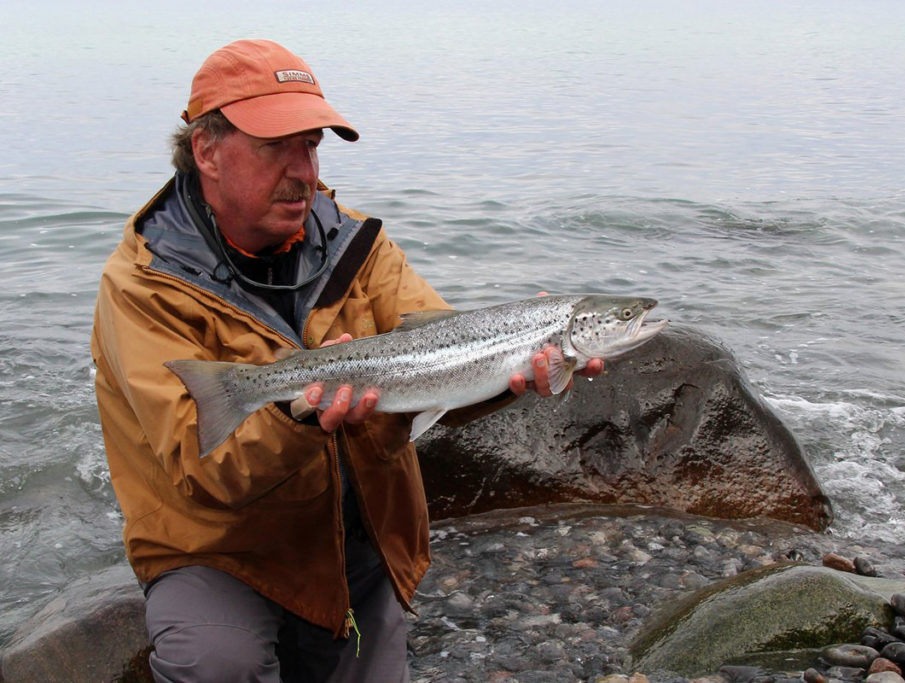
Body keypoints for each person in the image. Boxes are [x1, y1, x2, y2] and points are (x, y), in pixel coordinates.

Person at [91, 39, 602, 682]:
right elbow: (202, 468)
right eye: (277, 145)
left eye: (311, 144)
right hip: (218, 547)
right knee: (217, 665)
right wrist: (300, 416)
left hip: (355, 532)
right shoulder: (141, 286)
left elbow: (446, 352)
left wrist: (516, 367)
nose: (303, 169)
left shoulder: (357, 242)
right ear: (207, 150)